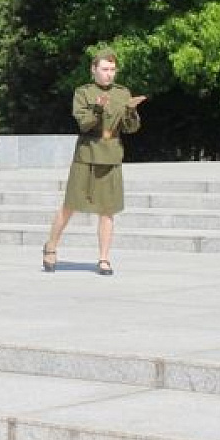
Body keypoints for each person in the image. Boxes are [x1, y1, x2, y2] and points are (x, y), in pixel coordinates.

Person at [41, 50, 145, 276]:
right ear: (94, 70)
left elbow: (130, 128)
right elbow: (84, 124)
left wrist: (131, 111)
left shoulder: (122, 92)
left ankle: (104, 259)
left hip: (111, 154)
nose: (109, 74)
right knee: (70, 205)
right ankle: (51, 246)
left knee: (108, 210)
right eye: (105, 69)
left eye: (112, 70)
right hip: (87, 154)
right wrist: (97, 108)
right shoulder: (83, 93)